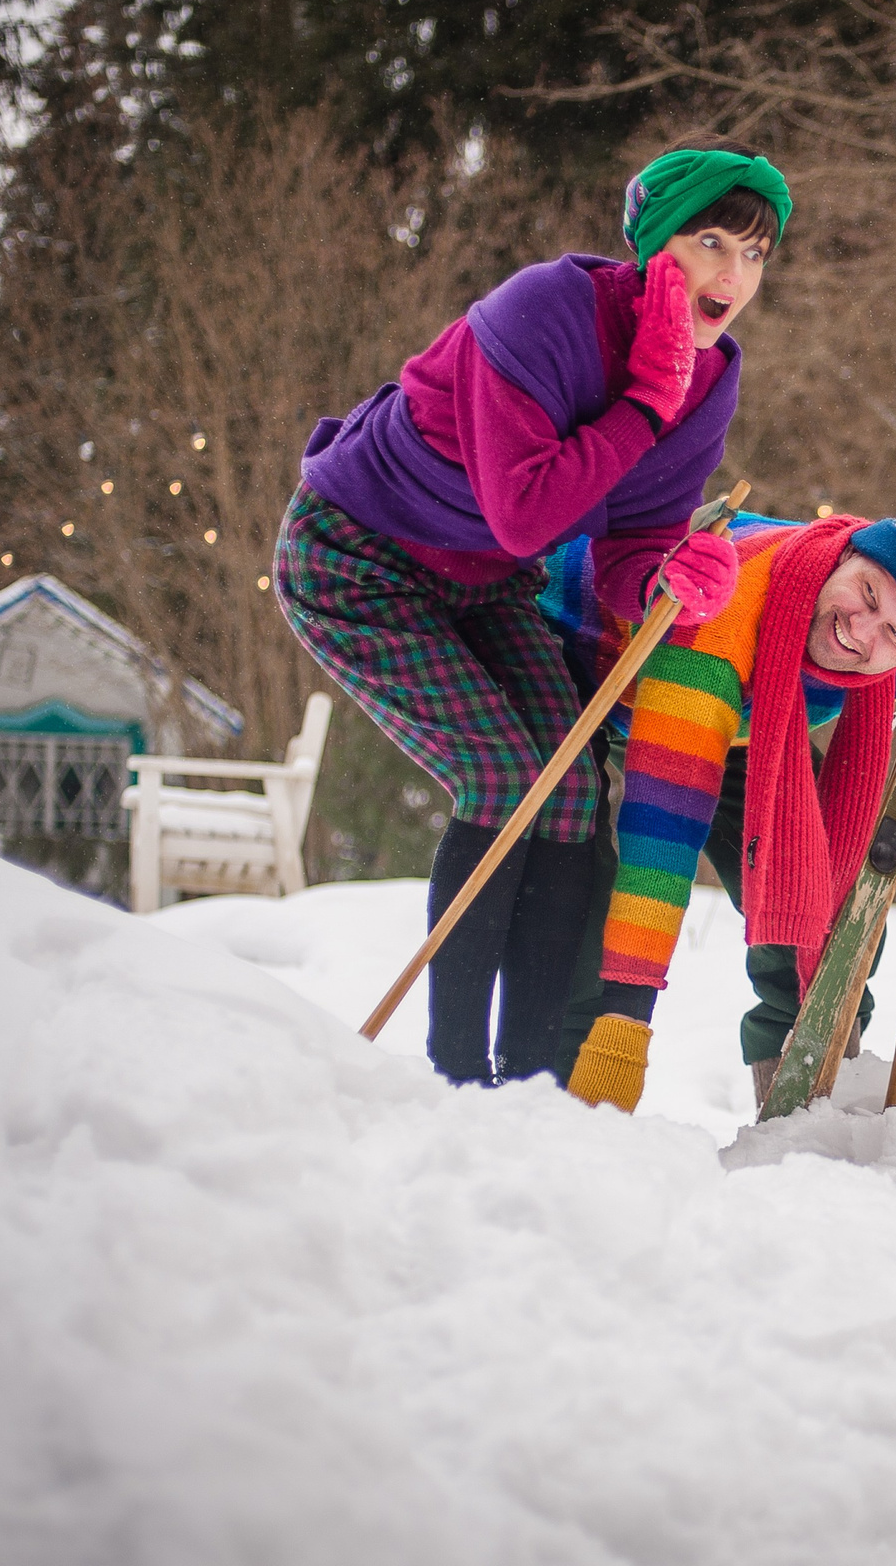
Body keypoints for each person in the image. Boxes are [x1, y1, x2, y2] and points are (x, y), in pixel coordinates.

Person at [273, 135, 789, 1086]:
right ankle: (454, 1077)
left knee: (576, 793)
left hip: (478, 584)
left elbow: (631, 537)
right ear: (658, 244)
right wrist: (644, 399)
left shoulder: (712, 379)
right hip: (357, 560)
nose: (735, 272)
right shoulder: (545, 312)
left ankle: (531, 1080)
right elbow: (527, 516)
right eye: (712, 241)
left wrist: (666, 585)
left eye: (755, 252)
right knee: (507, 779)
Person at [535, 494, 896, 1111]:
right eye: (865, 594)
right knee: (579, 896)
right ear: (846, 555)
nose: (860, 630)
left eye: (893, 631)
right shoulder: (722, 616)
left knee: (820, 896)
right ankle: (567, 1114)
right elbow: (662, 840)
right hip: (579, 662)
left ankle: (797, 1112)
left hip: (748, 712)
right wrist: (625, 1026)